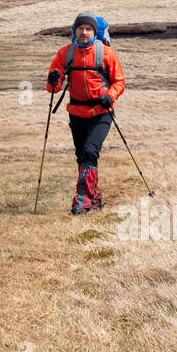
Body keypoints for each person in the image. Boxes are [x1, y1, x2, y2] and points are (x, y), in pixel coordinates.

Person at [44, 11, 126, 214]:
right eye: (80, 28)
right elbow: (53, 88)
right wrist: (53, 79)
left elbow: (120, 81)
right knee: (83, 157)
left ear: (94, 32)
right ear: (75, 31)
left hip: (102, 111)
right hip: (77, 112)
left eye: (88, 29)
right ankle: (95, 198)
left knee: (90, 151)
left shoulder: (106, 54)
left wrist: (111, 95)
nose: (84, 32)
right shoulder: (65, 54)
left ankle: (82, 202)